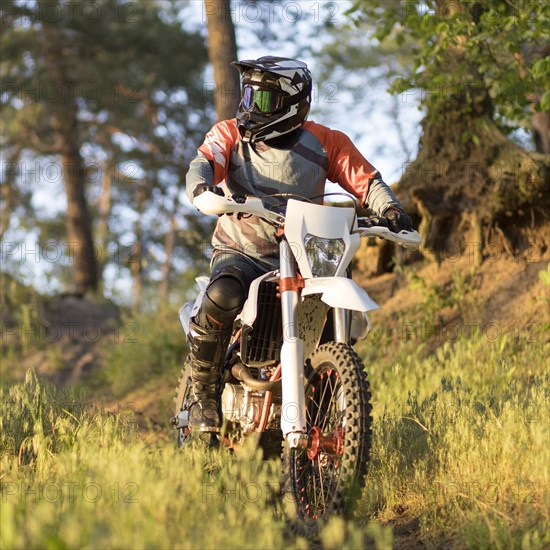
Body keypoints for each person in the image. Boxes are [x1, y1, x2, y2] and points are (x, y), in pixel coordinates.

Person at [185, 56, 413, 433]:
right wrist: (202, 187)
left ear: (291, 102)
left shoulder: (327, 142)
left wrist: (390, 208)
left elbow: (366, 180)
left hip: (309, 258)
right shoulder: (229, 134)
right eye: (248, 96)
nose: (249, 107)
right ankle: (203, 396)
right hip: (243, 252)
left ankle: (325, 417)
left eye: (261, 100)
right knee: (223, 294)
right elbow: (205, 161)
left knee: (333, 322)